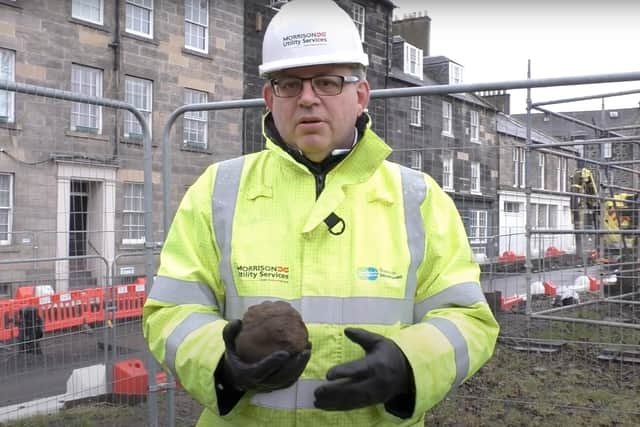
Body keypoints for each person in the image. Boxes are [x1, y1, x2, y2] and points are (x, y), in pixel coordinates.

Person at [143, 0, 499, 425]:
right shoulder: (218, 190)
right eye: (290, 84)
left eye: (328, 82)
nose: (308, 98)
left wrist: (409, 364)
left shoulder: (418, 197)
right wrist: (221, 362)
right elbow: (171, 311)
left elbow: (468, 319)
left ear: (361, 95)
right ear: (269, 98)